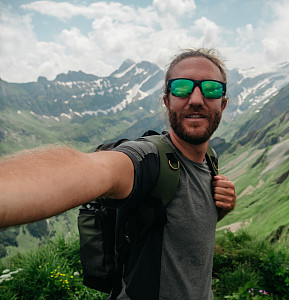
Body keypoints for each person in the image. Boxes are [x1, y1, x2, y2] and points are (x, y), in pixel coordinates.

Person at [0, 48, 236, 299]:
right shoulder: (148, 160)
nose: (196, 98)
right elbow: (98, 169)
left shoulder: (210, 160)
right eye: (181, 88)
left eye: (211, 88)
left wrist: (219, 209)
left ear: (222, 103)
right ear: (167, 101)